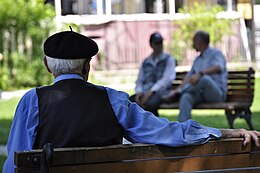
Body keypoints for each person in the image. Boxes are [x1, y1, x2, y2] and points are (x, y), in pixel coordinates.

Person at [3, 28, 260, 173]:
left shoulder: (31, 101)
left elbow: (14, 163)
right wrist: (229, 133)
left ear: (48, 66)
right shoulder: (113, 101)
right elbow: (171, 132)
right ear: (87, 67)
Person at [163, 30, 228, 122]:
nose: (193, 44)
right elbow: (189, 78)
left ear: (200, 41)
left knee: (204, 79)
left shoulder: (216, 53)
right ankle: (182, 128)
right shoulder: (197, 60)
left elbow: (219, 67)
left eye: (194, 41)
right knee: (186, 97)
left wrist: (200, 73)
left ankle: (178, 93)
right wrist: (176, 89)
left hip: (217, 94)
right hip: (200, 93)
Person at [129, 32, 176, 116]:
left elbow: (167, 79)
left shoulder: (169, 59)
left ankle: (153, 127)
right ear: (151, 45)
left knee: (150, 104)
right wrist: (139, 92)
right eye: (156, 43)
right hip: (145, 91)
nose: (159, 46)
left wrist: (151, 92)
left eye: (160, 43)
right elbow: (140, 79)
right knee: (129, 102)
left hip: (162, 92)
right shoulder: (146, 61)